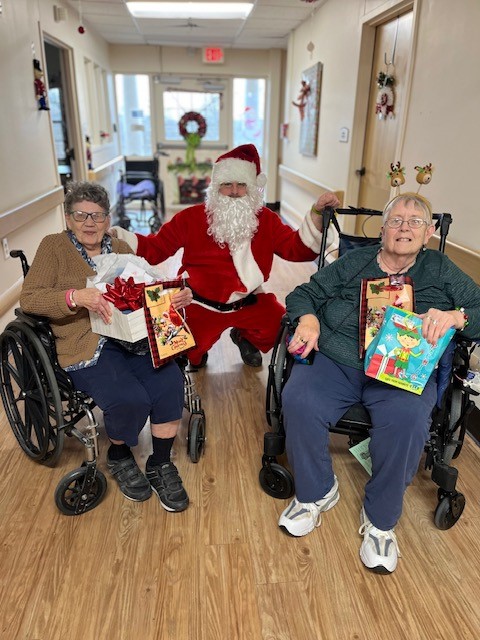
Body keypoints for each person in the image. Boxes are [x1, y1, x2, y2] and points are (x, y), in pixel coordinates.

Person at [277, 192, 480, 574]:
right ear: (383, 229)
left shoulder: (440, 269)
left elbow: (479, 309)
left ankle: (381, 521)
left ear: (430, 231)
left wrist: (456, 316)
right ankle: (316, 492)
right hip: (339, 359)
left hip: (400, 370)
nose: (404, 228)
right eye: (396, 220)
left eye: (415, 221)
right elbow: (305, 293)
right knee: (300, 398)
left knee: (407, 421)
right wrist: (308, 319)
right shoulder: (354, 261)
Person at [20, 181, 192, 512]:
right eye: (81, 215)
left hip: (132, 338)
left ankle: (159, 462)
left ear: (107, 218)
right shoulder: (53, 247)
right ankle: (119, 454)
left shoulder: (122, 247)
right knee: (129, 398)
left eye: (98, 216)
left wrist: (174, 297)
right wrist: (74, 296)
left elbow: (148, 291)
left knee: (170, 381)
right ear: (68, 217)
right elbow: (30, 298)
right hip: (86, 342)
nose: (90, 223)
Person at [113, 144, 340, 368]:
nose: (233, 191)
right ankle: (198, 351)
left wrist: (317, 215)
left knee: (281, 331)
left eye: (241, 185)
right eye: (226, 184)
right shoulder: (191, 218)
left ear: (252, 187)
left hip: (248, 303)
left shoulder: (266, 220)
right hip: (200, 303)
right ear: (215, 187)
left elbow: (296, 249)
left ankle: (244, 337)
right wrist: (116, 239)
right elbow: (155, 249)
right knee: (186, 354)